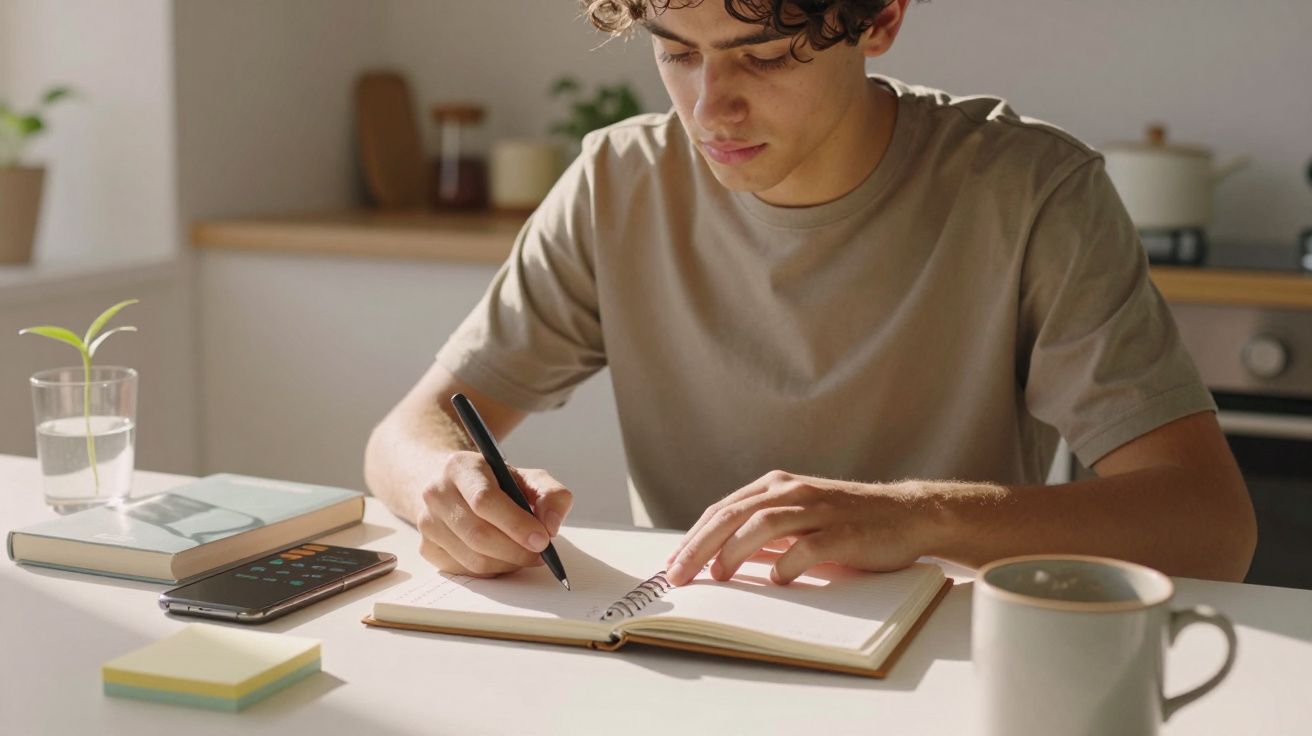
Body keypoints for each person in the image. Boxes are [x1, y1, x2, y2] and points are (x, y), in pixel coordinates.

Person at [364, 0, 1257, 588]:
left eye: (764, 57)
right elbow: (408, 431)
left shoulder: (1030, 192)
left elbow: (1212, 524)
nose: (710, 108)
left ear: (882, 19)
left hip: (947, 660)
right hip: (691, 656)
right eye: (677, 53)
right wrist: (446, 483)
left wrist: (918, 516)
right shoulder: (618, 181)